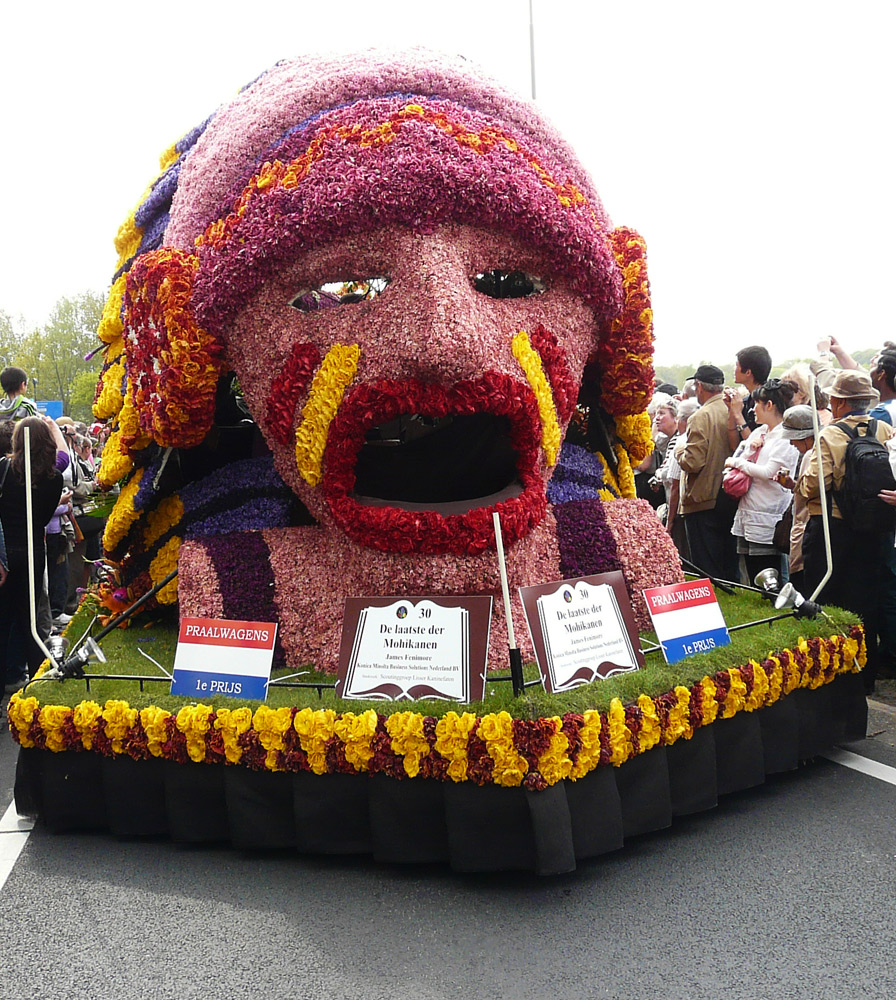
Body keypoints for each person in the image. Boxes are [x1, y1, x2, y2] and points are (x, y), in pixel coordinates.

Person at [797, 370, 895, 693]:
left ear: (838, 402)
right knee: (867, 602)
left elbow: (813, 485)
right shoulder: (884, 430)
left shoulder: (830, 435)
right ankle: (864, 678)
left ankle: (830, 680)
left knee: (826, 601)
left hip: (833, 531)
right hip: (875, 530)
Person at [0, 416, 64, 689]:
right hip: (32, 552)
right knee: (30, 621)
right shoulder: (54, 477)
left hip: (6, 552)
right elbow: (63, 458)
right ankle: (37, 683)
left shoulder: (3, 469)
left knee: (4, 619)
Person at [723, 379, 798, 582]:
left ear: (769, 405)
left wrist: (738, 463)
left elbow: (767, 472)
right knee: (751, 569)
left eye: (757, 404)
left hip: (768, 511)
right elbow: (740, 452)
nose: (753, 409)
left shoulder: (786, 435)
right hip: (749, 506)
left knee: (769, 572)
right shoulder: (760, 431)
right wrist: (744, 457)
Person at [678, 364, 738, 581]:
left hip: (702, 498)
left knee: (708, 570)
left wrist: (679, 452)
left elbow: (693, 462)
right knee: (729, 562)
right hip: (730, 496)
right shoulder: (733, 410)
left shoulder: (700, 416)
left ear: (699, 386)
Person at [774, 404, 820, 595]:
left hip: (807, 529)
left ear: (806, 437)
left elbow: (810, 492)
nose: (792, 443)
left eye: (794, 438)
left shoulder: (812, 454)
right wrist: (792, 485)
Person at [726, 345, 772, 449]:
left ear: (748, 372)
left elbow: (756, 448)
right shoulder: (747, 401)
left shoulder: (770, 403)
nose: (734, 370)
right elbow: (735, 446)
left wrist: (738, 415)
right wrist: (732, 410)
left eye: (737, 365)